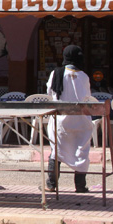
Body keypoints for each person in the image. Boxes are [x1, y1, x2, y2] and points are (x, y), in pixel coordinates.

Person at [45, 45, 94, 193]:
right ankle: (80, 186)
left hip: (60, 122)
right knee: (81, 152)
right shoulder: (84, 77)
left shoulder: (56, 74)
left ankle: (51, 184)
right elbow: (87, 97)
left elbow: (50, 92)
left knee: (56, 150)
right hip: (81, 123)